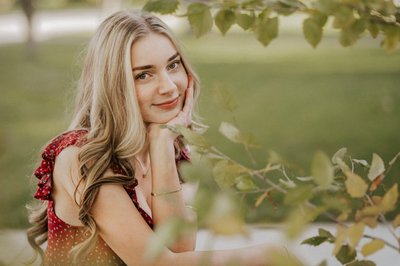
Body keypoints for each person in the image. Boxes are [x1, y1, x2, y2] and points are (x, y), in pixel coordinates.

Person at [27, 10, 281, 266]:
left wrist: (162, 145)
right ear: (114, 85)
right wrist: (267, 256)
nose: (169, 86)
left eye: (173, 65)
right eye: (144, 75)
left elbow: (179, 250)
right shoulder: (81, 157)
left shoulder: (177, 152)